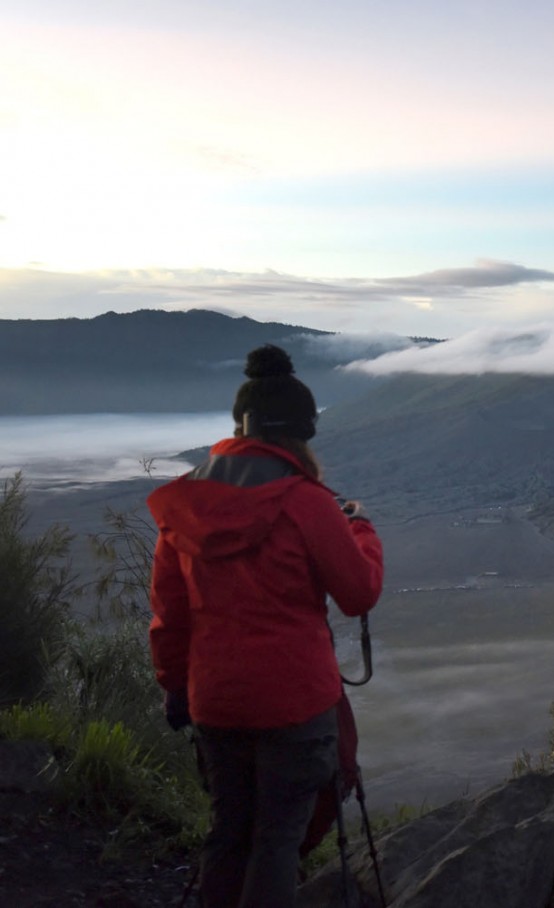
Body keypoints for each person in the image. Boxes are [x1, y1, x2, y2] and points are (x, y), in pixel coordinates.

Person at [147, 343, 383, 908]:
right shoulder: (307, 502)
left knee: (228, 836)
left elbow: (169, 614)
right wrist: (362, 531)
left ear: (240, 424)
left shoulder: (187, 503)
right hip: (294, 706)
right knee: (276, 843)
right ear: (302, 433)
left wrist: (175, 687)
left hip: (216, 702)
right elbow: (358, 592)